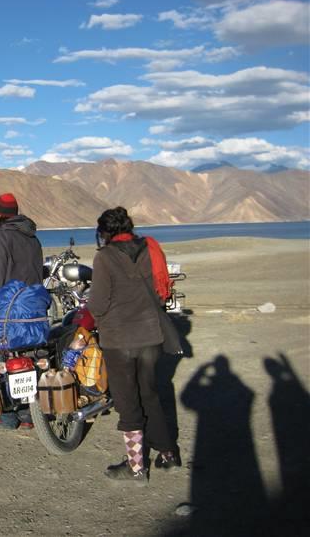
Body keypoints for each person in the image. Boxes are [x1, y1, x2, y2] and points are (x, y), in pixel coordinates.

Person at [87, 206, 180, 485]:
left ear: (105, 232)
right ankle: (167, 453)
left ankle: (136, 466)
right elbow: (159, 293)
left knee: (128, 402)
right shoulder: (149, 249)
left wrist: (96, 313)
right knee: (149, 394)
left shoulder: (104, 258)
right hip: (151, 336)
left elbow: (99, 303)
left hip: (120, 340)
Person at [0, 193, 44, 430]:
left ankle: (6, 416)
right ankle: (29, 415)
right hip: (34, 312)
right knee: (30, 359)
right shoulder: (33, 239)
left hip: (7, 313)